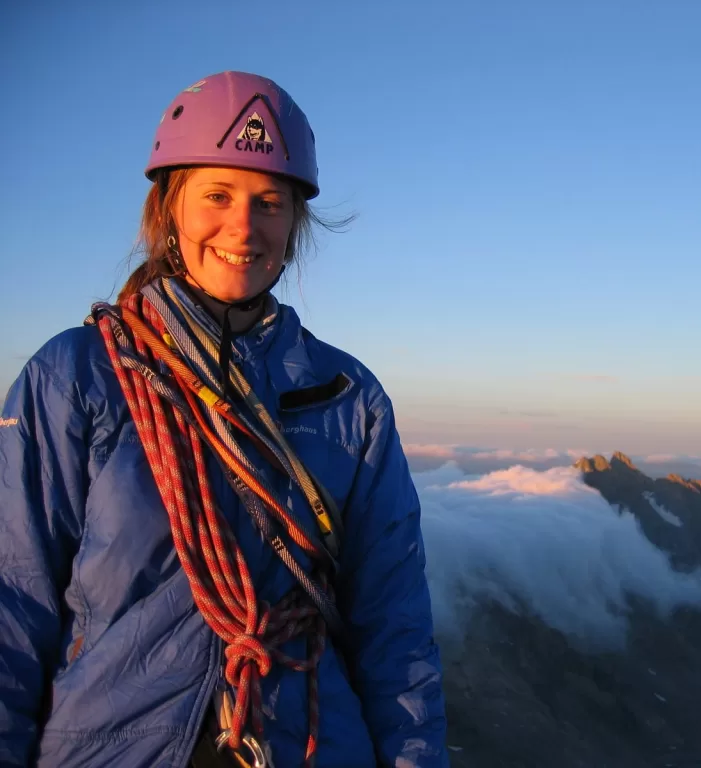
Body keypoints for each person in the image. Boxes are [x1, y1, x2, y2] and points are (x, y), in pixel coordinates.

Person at [0, 71, 449, 768]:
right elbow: (12, 603)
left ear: (295, 223)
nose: (244, 226)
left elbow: (396, 630)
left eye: (270, 202)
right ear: (168, 208)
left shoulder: (348, 398)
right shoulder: (78, 377)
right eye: (218, 195)